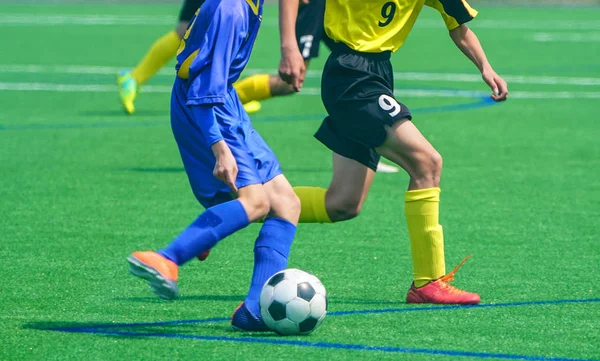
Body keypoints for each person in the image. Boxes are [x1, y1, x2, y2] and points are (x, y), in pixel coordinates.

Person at [278, 0, 509, 304]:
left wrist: (486, 67)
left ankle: (243, 207)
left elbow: (458, 26)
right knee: (427, 163)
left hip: (378, 74)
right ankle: (428, 282)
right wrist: (289, 46)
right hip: (350, 76)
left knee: (342, 204)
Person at [127, 0, 300, 331]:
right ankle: (167, 258)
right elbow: (202, 87)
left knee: (287, 204)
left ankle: (254, 311)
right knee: (256, 201)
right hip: (206, 107)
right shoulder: (230, 9)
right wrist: (219, 147)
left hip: (226, 102)